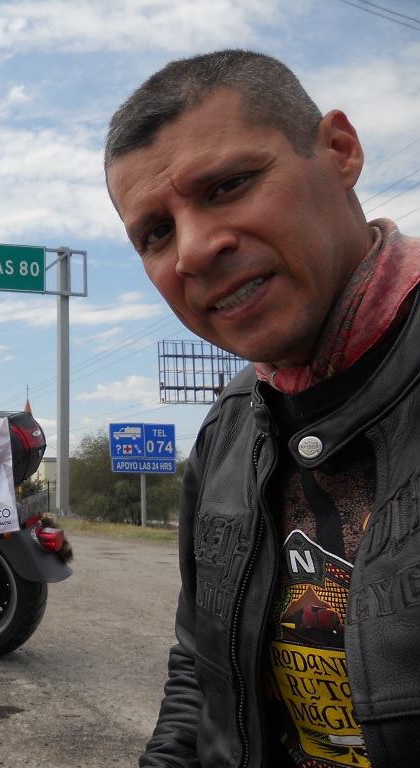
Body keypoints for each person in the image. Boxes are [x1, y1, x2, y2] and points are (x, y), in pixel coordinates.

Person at [103, 49, 420, 768]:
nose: (193, 251)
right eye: (155, 232)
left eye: (229, 186)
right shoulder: (229, 426)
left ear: (339, 151)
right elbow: (199, 669)